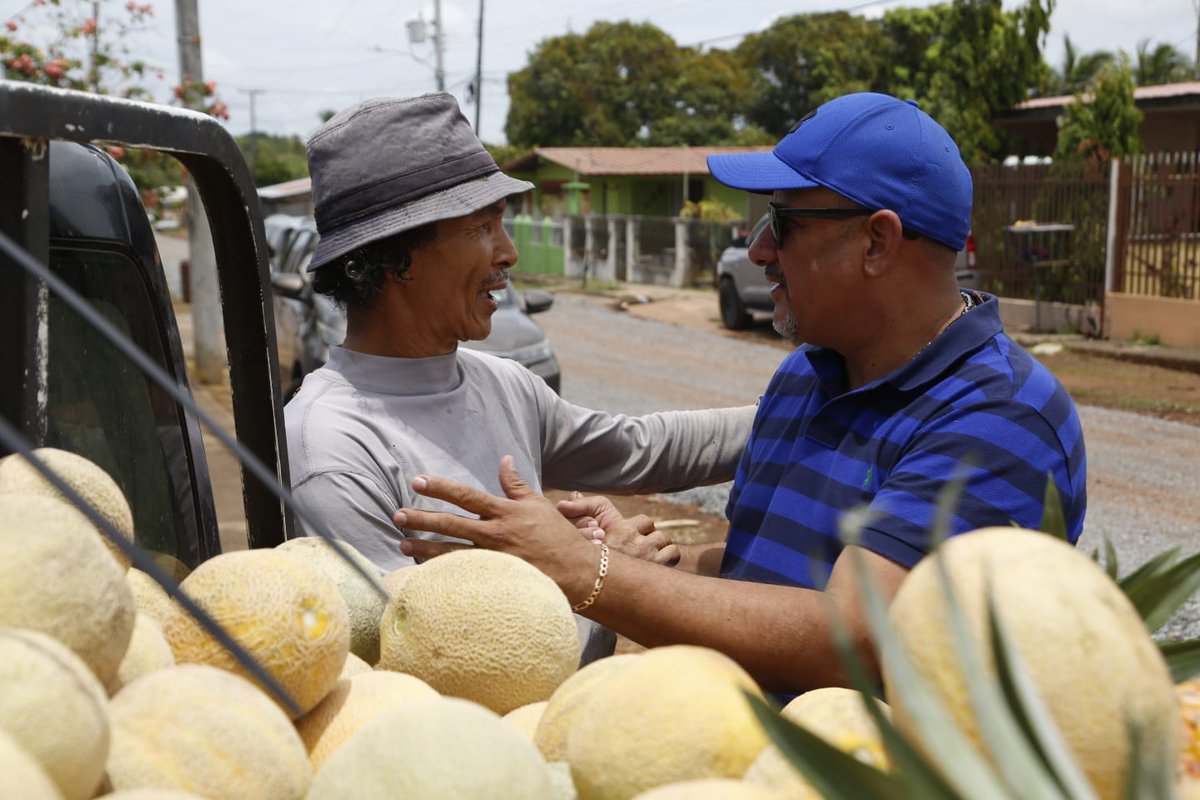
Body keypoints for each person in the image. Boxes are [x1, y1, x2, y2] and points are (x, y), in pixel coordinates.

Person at [394, 92, 1087, 695]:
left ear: (878, 242)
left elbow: (858, 637)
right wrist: (652, 564)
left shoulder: (1000, 416)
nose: (758, 251)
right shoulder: (804, 378)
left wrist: (588, 572)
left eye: (782, 225)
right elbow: (762, 567)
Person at [283, 93, 756, 663]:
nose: (508, 252)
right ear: (394, 258)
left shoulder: (500, 383)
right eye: (483, 227)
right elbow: (412, 663)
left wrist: (797, 412)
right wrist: (603, 575)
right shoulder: (332, 448)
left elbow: (641, 447)